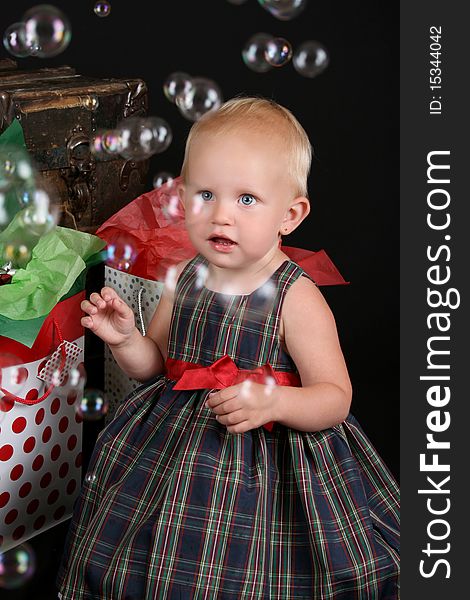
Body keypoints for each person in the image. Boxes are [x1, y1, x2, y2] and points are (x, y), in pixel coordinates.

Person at [57, 96, 399, 599]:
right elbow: (156, 366)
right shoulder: (186, 277)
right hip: (173, 446)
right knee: (153, 544)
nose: (221, 216)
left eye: (246, 199)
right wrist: (127, 339)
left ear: (291, 214)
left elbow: (335, 398)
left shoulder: (295, 297)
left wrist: (274, 401)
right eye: (205, 196)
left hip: (268, 461)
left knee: (251, 561)